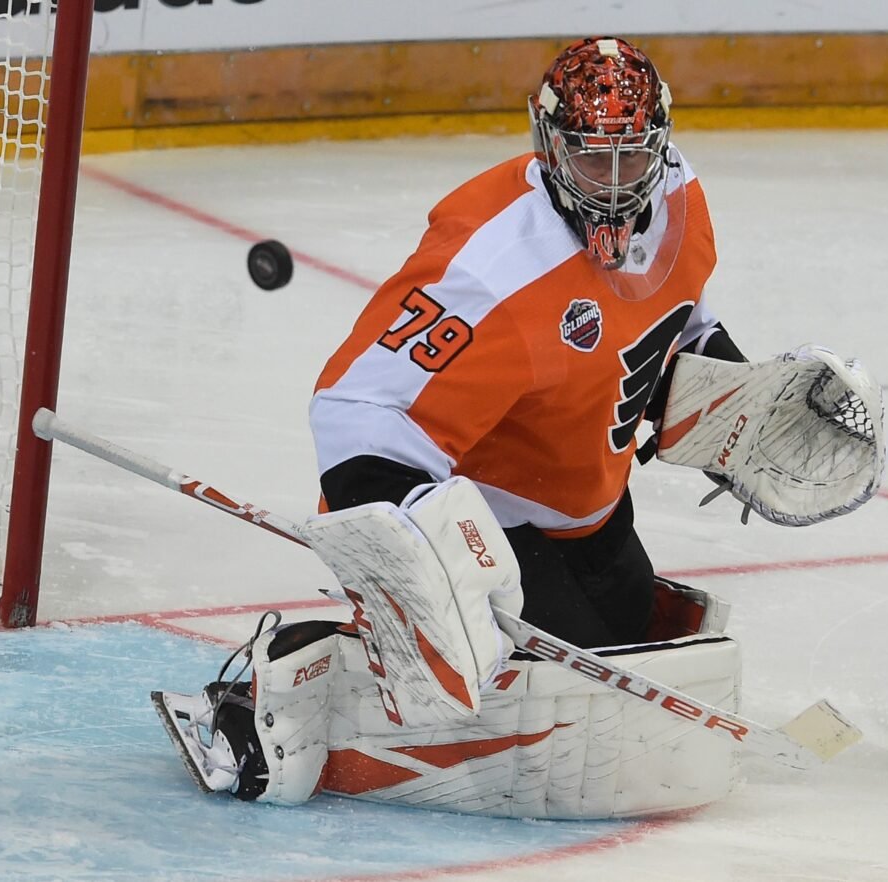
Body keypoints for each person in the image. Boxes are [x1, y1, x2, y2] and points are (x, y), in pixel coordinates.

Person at [156, 36, 749, 819]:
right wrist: (422, 559)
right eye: (589, 159)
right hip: (492, 524)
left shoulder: (682, 202)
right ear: (548, 147)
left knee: (629, 645)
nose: (613, 184)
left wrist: (741, 400)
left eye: (631, 159)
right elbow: (354, 405)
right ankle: (288, 684)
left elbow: (677, 322)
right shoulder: (488, 265)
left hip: (589, 507)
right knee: (547, 696)